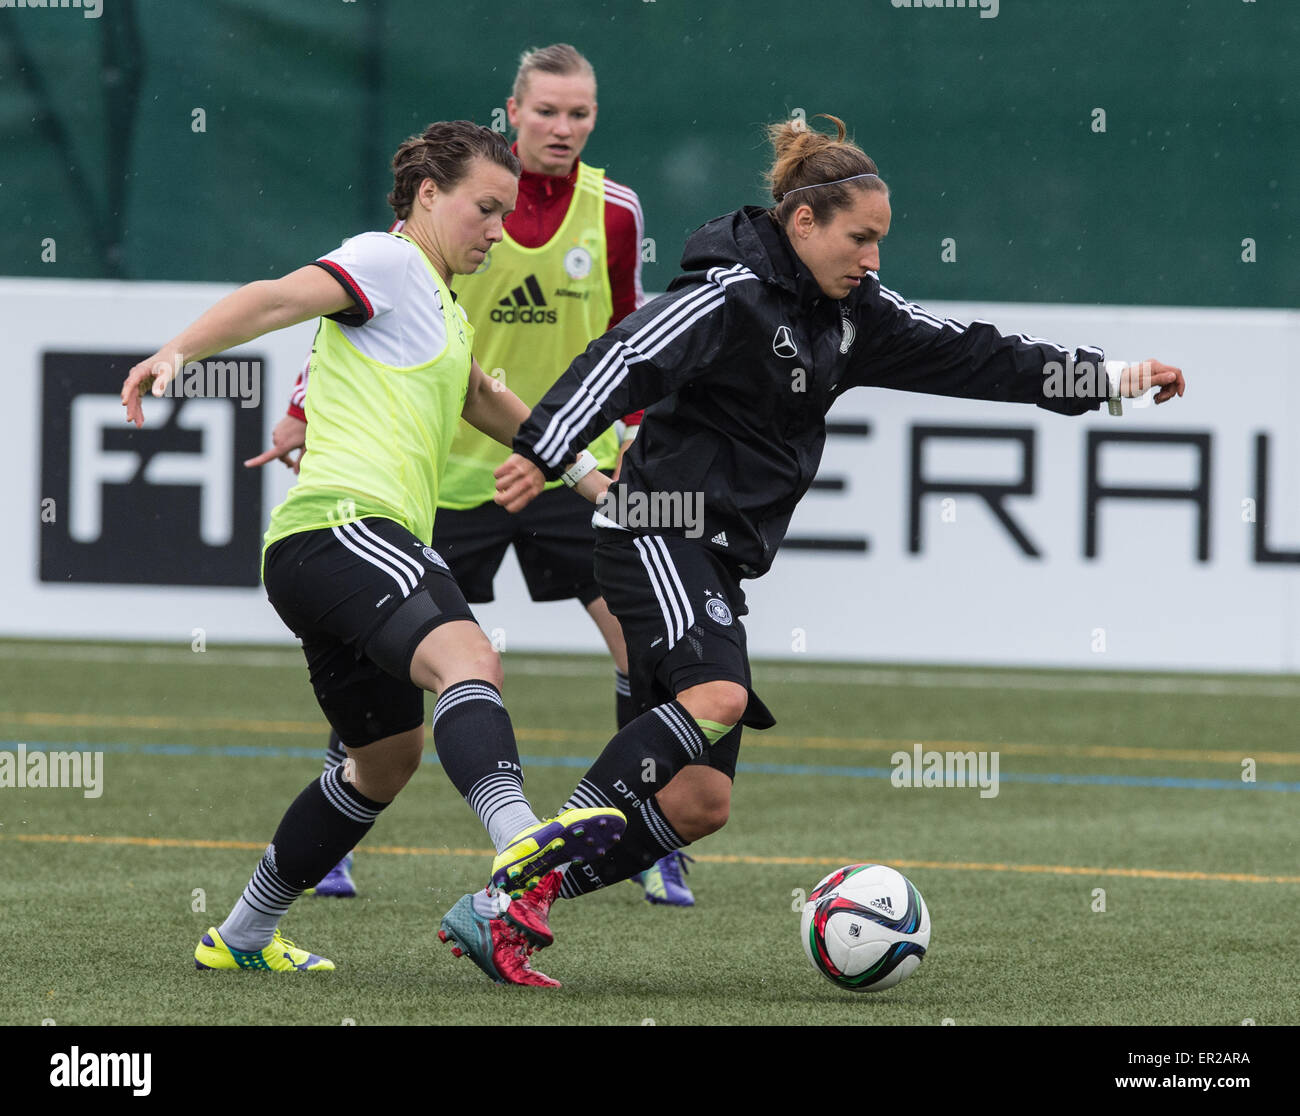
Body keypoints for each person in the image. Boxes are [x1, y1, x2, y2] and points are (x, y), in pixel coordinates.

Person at [449, 113, 1186, 982]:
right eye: (859, 238)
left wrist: (1106, 382)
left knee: (698, 802)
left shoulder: (855, 316)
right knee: (719, 692)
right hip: (658, 529)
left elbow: (981, 358)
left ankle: (496, 910)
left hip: (715, 556)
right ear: (804, 224)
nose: (872, 257)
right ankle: (523, 873)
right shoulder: (726, 297)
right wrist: (544, 449)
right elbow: (624, 358)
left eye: (880, 241)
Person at [120, 121, 625, 988]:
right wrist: (179, 351)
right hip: (348, 528)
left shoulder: (437, 299)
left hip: (322, 553)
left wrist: (588, 478)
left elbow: (483, 400)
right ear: (430, 196)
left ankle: (242, 933)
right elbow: (277, 297)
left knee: (383, 761)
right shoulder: (388, 262)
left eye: (506, 215)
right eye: (485, 210)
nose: (497, 231)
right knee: (469, 657)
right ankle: (519, 840)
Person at [248, 44, 700, 910]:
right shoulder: (440, 223)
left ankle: (645, 831)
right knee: (399, 642)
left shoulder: (611, 211)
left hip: (562, 455)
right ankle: (363, 827)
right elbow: (346, 313)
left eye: (580, 114)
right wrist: (301, 402)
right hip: (448, 476)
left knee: (637, 642)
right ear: (513, 113)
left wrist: (613, 449)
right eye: (547, 112)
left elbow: (630, 325)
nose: (563, 128)